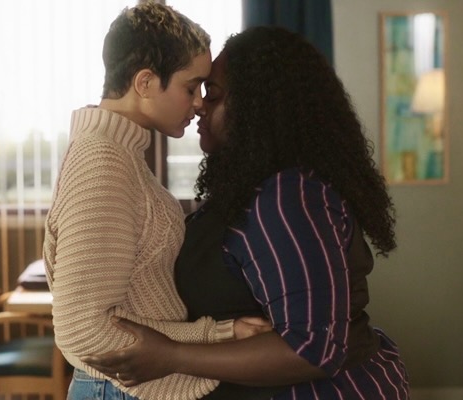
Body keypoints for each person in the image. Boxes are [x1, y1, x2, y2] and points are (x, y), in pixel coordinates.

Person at [81, 26, 411, 399]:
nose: (199, 105)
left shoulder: (289, 199)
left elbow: (312, 348)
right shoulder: (251, 189)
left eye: (213, 94)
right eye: (196, 90)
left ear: (259, 108)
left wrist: (171, 354)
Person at [43, 4, 268, 400]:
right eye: (190, 87)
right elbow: (83, 329)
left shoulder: (120, 156)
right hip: (118, 390)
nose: (199, 102)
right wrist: (215, 334)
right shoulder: (103, 164)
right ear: (145, 83)